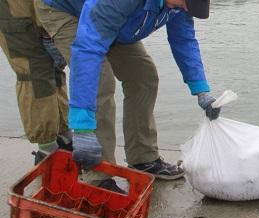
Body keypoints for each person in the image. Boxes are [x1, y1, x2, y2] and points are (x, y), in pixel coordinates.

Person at [34, 0, 221, 180]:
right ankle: (99, 174)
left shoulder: (180, 5)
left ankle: (143, 159)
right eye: (185, 2)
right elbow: (88, 49)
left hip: (117, 18)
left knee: (144, 77)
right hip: (65, 10)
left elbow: (184, 40)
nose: (185, 7)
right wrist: (83, 128)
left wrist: (201, 89)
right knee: (101, 82)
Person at [0, 0, 71, 164]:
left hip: (40, 8)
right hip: (14, 11)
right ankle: (46, 149)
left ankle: (64, 137)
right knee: (33, 72)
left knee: (54, 66)